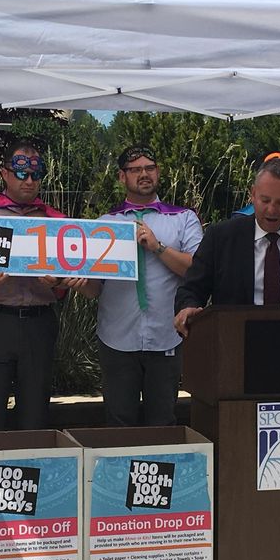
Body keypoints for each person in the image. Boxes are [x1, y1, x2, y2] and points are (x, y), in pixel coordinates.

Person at [70, 146, 203, 426]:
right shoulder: (105, 224)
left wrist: (158, 248)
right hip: (117, 338)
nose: (144, 174)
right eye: (136, 169)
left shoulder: (182, 218)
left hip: (166, 337)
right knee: (119, 422)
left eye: (150, 168)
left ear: (158, 173)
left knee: (162, 421)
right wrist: (80, 286)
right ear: (121, 177)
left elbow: (196, 271)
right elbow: (96, 288)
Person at [0, 142, 78, 430]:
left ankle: (31, 470)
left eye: (36, 175)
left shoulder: (55, 221)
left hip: (39, 322)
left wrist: (58, 281)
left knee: (35, 411)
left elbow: (72, 274)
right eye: (21, 174)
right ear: (5, 174)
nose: (29, 181)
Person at [174, 156, 280, 336]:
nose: (271, 210)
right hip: (234, 345)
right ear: (252, 194)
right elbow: (191, 289)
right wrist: (187, 307)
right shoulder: (221, 237)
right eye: (265, 200)